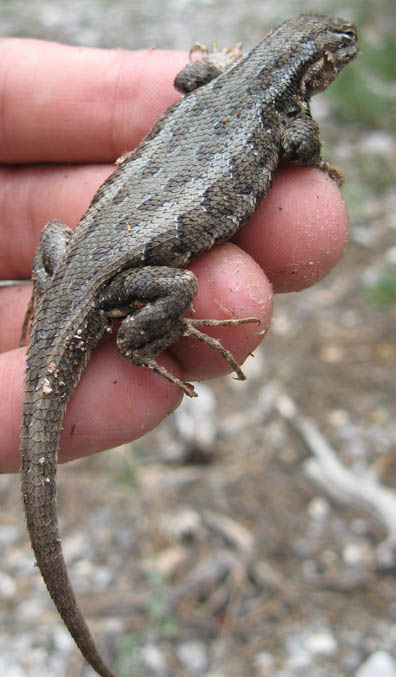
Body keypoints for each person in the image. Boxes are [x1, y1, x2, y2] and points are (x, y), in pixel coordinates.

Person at [0, 38, 350, 473]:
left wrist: (221, 65)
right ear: (321, 67)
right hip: (105, 282)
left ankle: (50, 295)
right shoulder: (288, 110)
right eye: (344, 46)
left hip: (77, 257)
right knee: (181, 285)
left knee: (55, 234)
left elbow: (187, 77)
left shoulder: (218, 81)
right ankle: (135, 342)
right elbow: (301, 149)